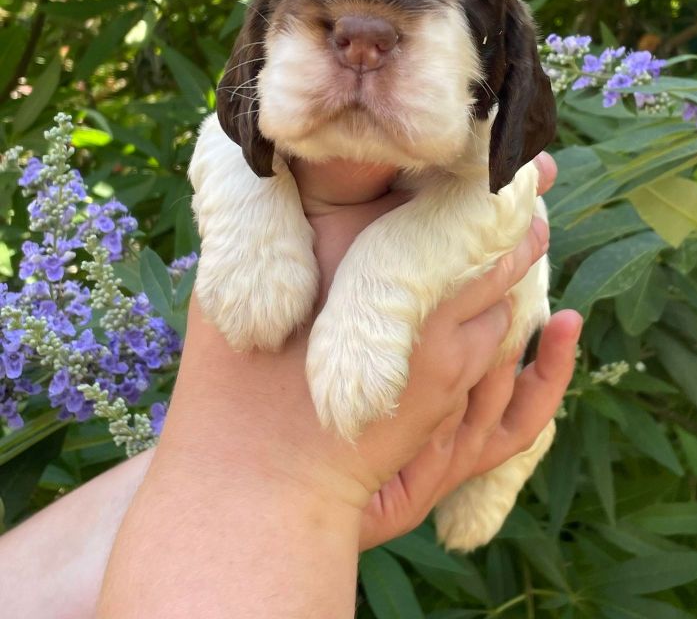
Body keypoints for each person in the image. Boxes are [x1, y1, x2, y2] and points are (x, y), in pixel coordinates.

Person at [0, 153, 581, 619]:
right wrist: (287, 478)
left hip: (483, 355)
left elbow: (502, 192)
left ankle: (511, 457)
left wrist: (233, 459)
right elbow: (226, 140)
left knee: (513, 384)